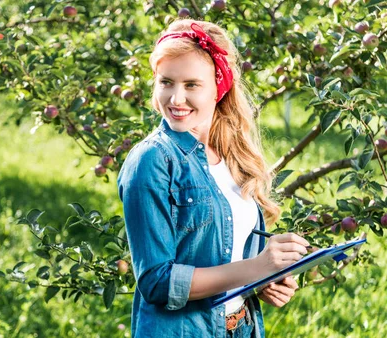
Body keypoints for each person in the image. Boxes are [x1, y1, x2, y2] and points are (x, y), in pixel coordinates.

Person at [117, 19, 310, 338]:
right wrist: (256, 267)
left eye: (191, 84)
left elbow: (226, 255)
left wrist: (262, 282)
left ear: (219, 87)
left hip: (242, 328)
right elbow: (157, 282)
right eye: (166, 82)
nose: (176, 99)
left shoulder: (232, 153)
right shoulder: (151, 160)